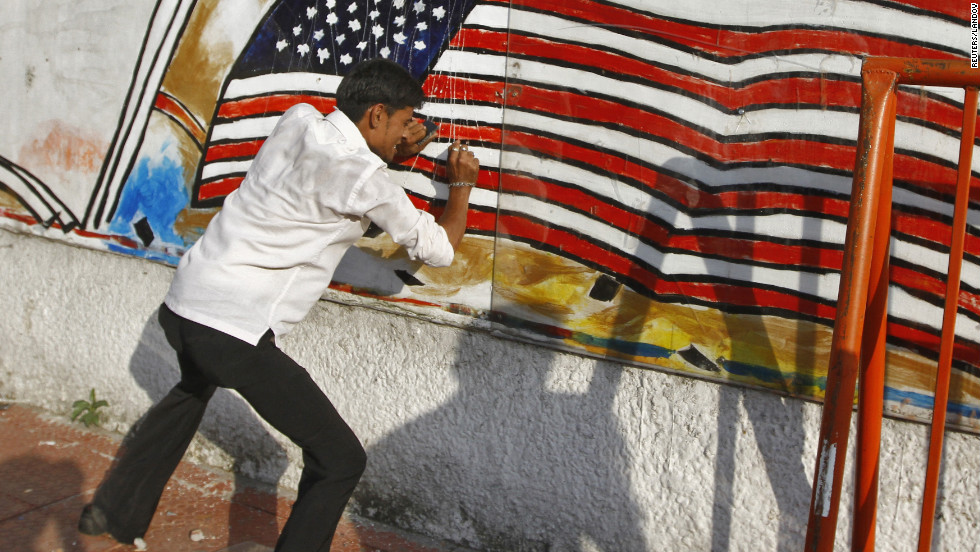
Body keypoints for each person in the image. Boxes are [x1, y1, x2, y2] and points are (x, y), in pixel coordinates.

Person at [78, 58, 480, 551]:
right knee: (339, 460)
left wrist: (387, 154)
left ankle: (111, 513)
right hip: (233, 329)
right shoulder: (368, 182)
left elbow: (325, 180)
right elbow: (438, 248)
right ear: (376, 114)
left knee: (191, 389)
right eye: (401, 123)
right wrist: (460, 184)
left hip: (185, 306)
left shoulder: (298, 118)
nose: (406, 136)